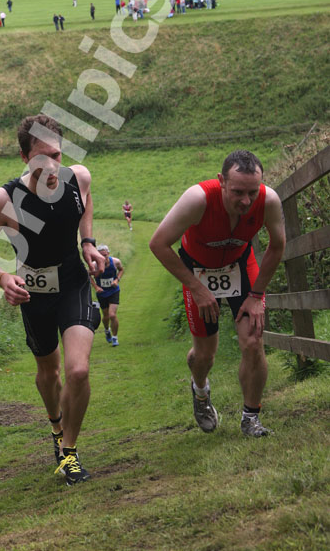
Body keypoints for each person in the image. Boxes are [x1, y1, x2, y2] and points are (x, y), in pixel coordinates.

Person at [0, 114, 105, 486]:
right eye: (41, 157)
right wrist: (2, 277)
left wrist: (88, 242)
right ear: (23, 157)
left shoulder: (78, 177)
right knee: (49, 373)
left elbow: (87, 201)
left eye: (56, 155)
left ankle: (69, 452)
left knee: (78, 370)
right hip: (33, 293)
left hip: (73, 283)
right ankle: (57, 428)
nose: (50, 165)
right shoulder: (5, 198)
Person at [149, 150, 285, 438]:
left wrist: (257, 295)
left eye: (252, 192)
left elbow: (277, 245)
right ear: (221, 181)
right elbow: (159, 244)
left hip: (240, 265)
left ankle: (251, 418)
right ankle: (200, 391)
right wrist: (197, 289)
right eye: (237, 192)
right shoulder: (198, 199)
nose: (245, 201)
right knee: (205, 355)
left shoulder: (268, 200)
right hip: (197, 272)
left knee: (253, 340)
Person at [92, 245, 124, 346]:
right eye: (100, 256)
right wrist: (96, 287)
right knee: (105, 316)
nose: (103, 258)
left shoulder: (115, 262)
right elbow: (88, 276)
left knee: (112, 315)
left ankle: (115, 338)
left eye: (105, 255)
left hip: (114, 291)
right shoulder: (94, 265)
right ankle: (106, 330)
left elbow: (121, 270)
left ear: (108, 254)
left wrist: (116, 280)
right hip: (102, 293)